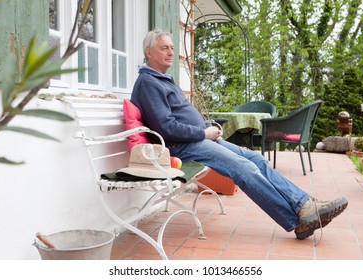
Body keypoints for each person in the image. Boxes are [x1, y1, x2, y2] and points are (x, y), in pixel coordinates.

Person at [130, 29, 348, 240]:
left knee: (255, 158)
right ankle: (297, 219)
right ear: (149, 52)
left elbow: (179, 117)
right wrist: (203, 133)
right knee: (245, 169)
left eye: (172, 47)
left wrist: (208, 127)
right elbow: (166, 128)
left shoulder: (162, 80)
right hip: (182, 147)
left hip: (196, 138)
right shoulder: (149, 83)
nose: (170, 52)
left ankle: (304, 204)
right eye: (164, 48)